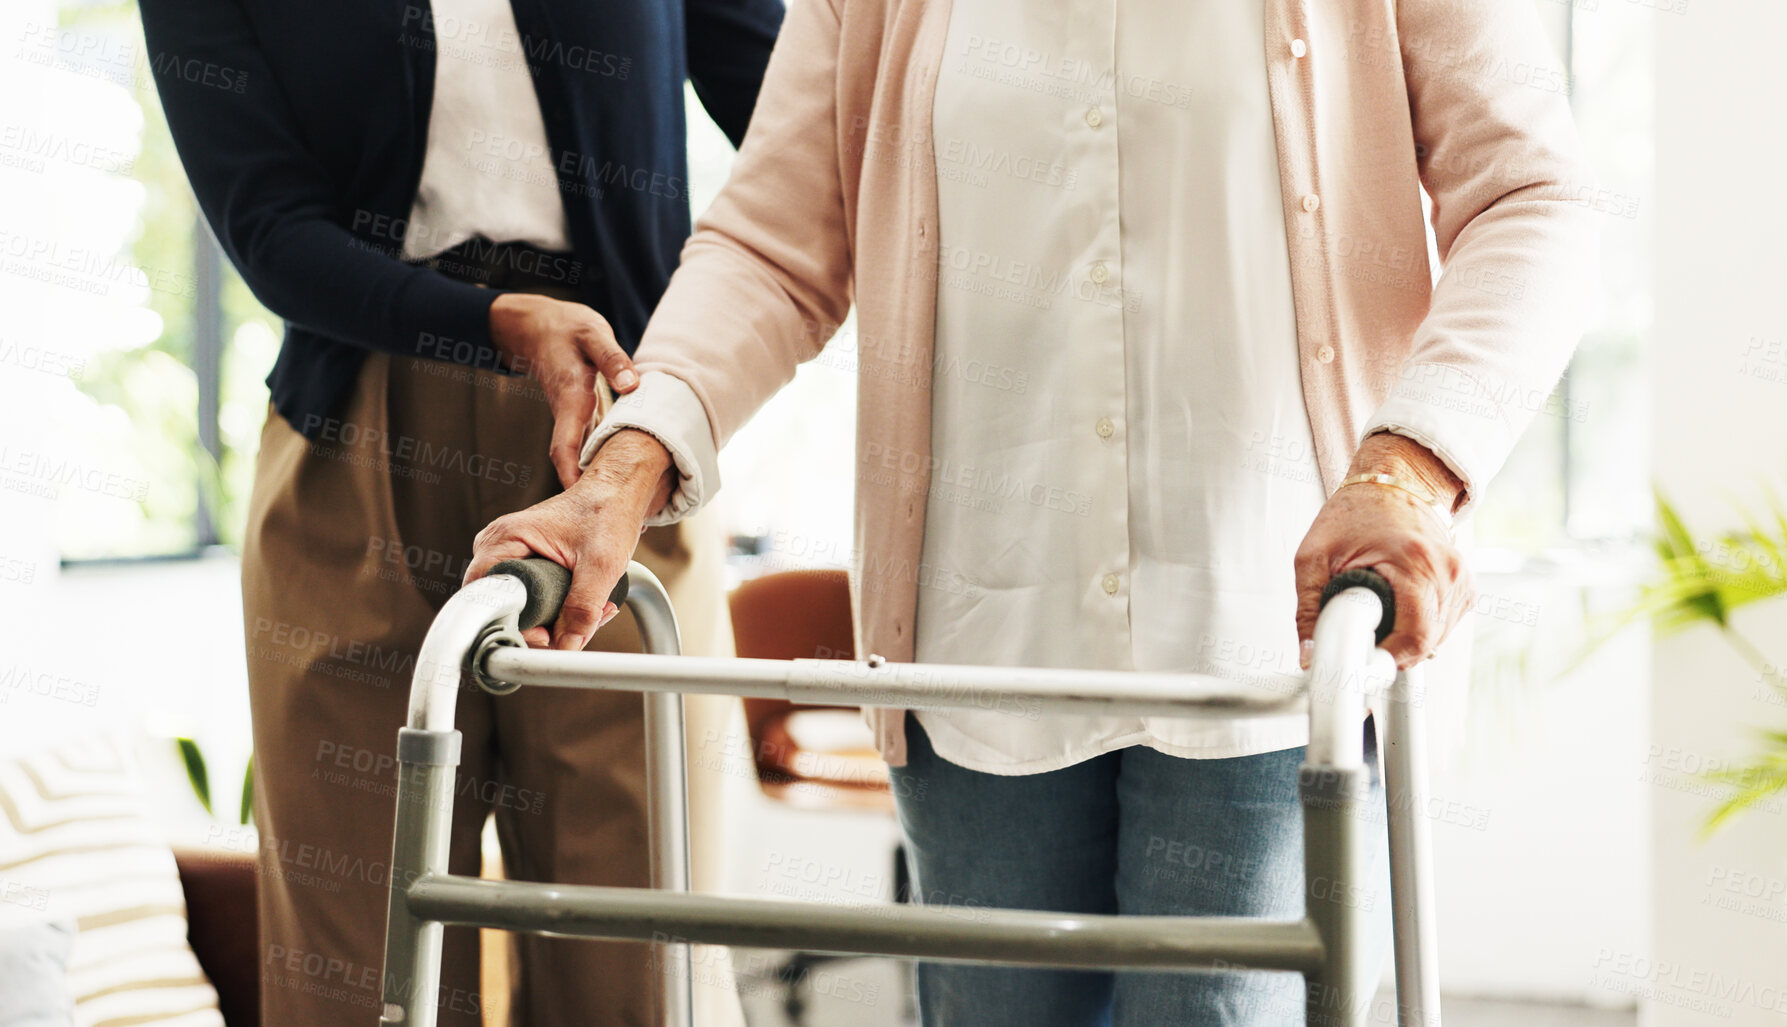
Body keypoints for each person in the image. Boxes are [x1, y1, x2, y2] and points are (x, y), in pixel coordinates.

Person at [469, 0, 1598, 1022]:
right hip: (980, 642)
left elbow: (1531, 198)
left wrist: (1406, 466)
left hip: (1264, 638)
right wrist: (620, 474)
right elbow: (773, 251)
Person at [136, 0, 783, 1023]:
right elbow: (265, 225)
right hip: (354, 440)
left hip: (618, 439)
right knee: (361, 972)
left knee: (639, 965)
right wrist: (491, 321)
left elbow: (810, 132)